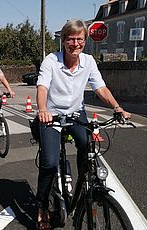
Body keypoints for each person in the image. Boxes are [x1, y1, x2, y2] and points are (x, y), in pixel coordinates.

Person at [35, 19, 131, 229]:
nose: (75, 43)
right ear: (63, 40)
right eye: (71, 39)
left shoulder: (88, 62)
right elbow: (42, 86)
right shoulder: (51, 60)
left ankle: (84, 190)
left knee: (88, 150)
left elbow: (100, 88)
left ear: (85, 41)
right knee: (50, 164)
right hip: (51, 116)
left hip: (76, 114)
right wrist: (42, 110)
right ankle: (42, 207)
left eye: (79, 39)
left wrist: (117, 107)